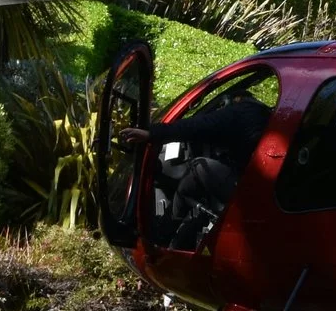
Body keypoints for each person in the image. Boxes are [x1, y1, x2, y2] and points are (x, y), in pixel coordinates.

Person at [114, 91, 271, 251]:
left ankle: (160, 237)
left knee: (197, 169)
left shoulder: (240, 111)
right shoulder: (265, 112)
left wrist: (151, 133)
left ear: (237, 99)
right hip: (264, 188)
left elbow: (197, 126)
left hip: (249, 192)